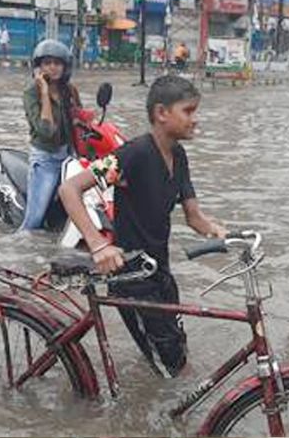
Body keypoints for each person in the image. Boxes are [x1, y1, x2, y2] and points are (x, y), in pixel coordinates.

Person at [59, 75, 227, 378]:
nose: (196, 120)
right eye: (188, 111)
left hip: (160, 271)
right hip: (132, 276)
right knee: (173, 372)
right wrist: (98, 245)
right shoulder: (133, 155)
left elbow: (194, 216)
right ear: (162, 113)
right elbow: (70, 190)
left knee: (177, 348)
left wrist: (221, 233)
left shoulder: (179, 155)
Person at [21, 39, 81, 231]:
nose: (53, 68)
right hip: (46, 159)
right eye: (47, 63)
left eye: (57, 63)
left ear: (65, 66)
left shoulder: (68, 90)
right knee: (34, 221)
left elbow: (79, 122)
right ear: (39, 67)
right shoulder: (31, 93)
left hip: (69, 158)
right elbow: (46, 131)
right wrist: (45, 94)